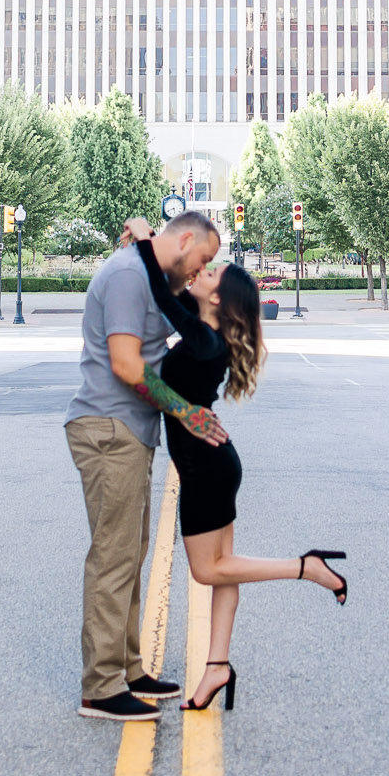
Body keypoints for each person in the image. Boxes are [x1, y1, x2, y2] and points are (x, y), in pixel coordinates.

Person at [124, 217, 349, 712]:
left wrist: (144, 239)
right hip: (215, 463)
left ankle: (306, 567)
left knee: (209, 571)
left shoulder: (205, 340)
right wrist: (156, 248)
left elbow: (161, 296)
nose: (201, 270)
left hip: (205, 469)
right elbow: (169, 290)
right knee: (224, 569)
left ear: (218, 298)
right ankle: (216, 668)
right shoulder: (204, 324)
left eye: (210, 272)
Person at [64, 210, 224, 722]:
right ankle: (101, 687)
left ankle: (129, 668)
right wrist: (186, 412)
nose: (200, 272)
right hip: (108, 428)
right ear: (185, 240)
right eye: (203, 259)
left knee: (130, 554)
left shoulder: (149, 272)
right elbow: (126, 364)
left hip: (128, 430)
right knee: (114, 558)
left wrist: (145, 234)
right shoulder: (129, 277)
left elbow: (169, 288)